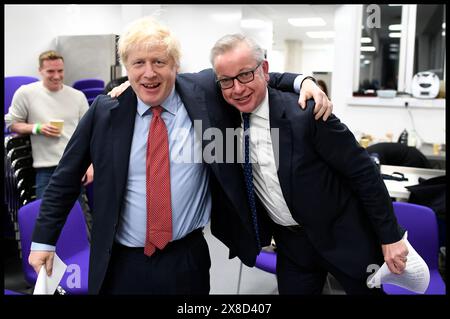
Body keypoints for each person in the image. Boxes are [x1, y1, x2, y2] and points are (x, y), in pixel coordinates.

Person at [27, 17, 331, 295]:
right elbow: (64, 180)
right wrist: (43, 241)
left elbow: (252, 75)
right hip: (120, 262)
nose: (149, 73)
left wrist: (301, 81)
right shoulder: (105, 112)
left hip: (186, 260)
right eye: (138, 63)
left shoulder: (203, 93)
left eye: (159, 61)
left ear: (175, 65)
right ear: (125, 68)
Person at [209, 33, 409, 294]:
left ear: (264, 70)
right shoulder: (223, 116)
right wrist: (300, 79)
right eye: (227, 81)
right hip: (292, 247)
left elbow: (364, 173)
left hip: (346, 238)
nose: (237, 88)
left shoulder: (307, 113)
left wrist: (390, 237)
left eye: (246, 75)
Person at [5, 50, 94, 237]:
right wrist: (38, 128)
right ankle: (48, 263)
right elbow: (12, 124)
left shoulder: (77, 96)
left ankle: (83, 261)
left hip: (74, 166)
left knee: (78, 220)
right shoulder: (26, 93)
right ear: (40, 71)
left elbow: (90, 134)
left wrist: (90, 164)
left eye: (60, 71)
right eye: (50, 72)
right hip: (45, 168)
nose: (57, 76)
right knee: (46, 222)